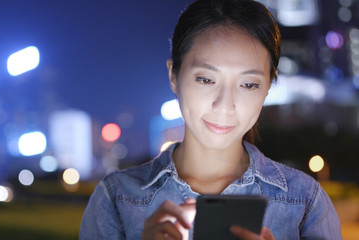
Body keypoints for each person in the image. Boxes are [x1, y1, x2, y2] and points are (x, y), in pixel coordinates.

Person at [80, 0, 342, 239]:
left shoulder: (305, 202)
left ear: (268, 88)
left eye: (249, 84)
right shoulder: (116, 199)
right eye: (206, 79)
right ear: (174, 75)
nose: (225, 105)